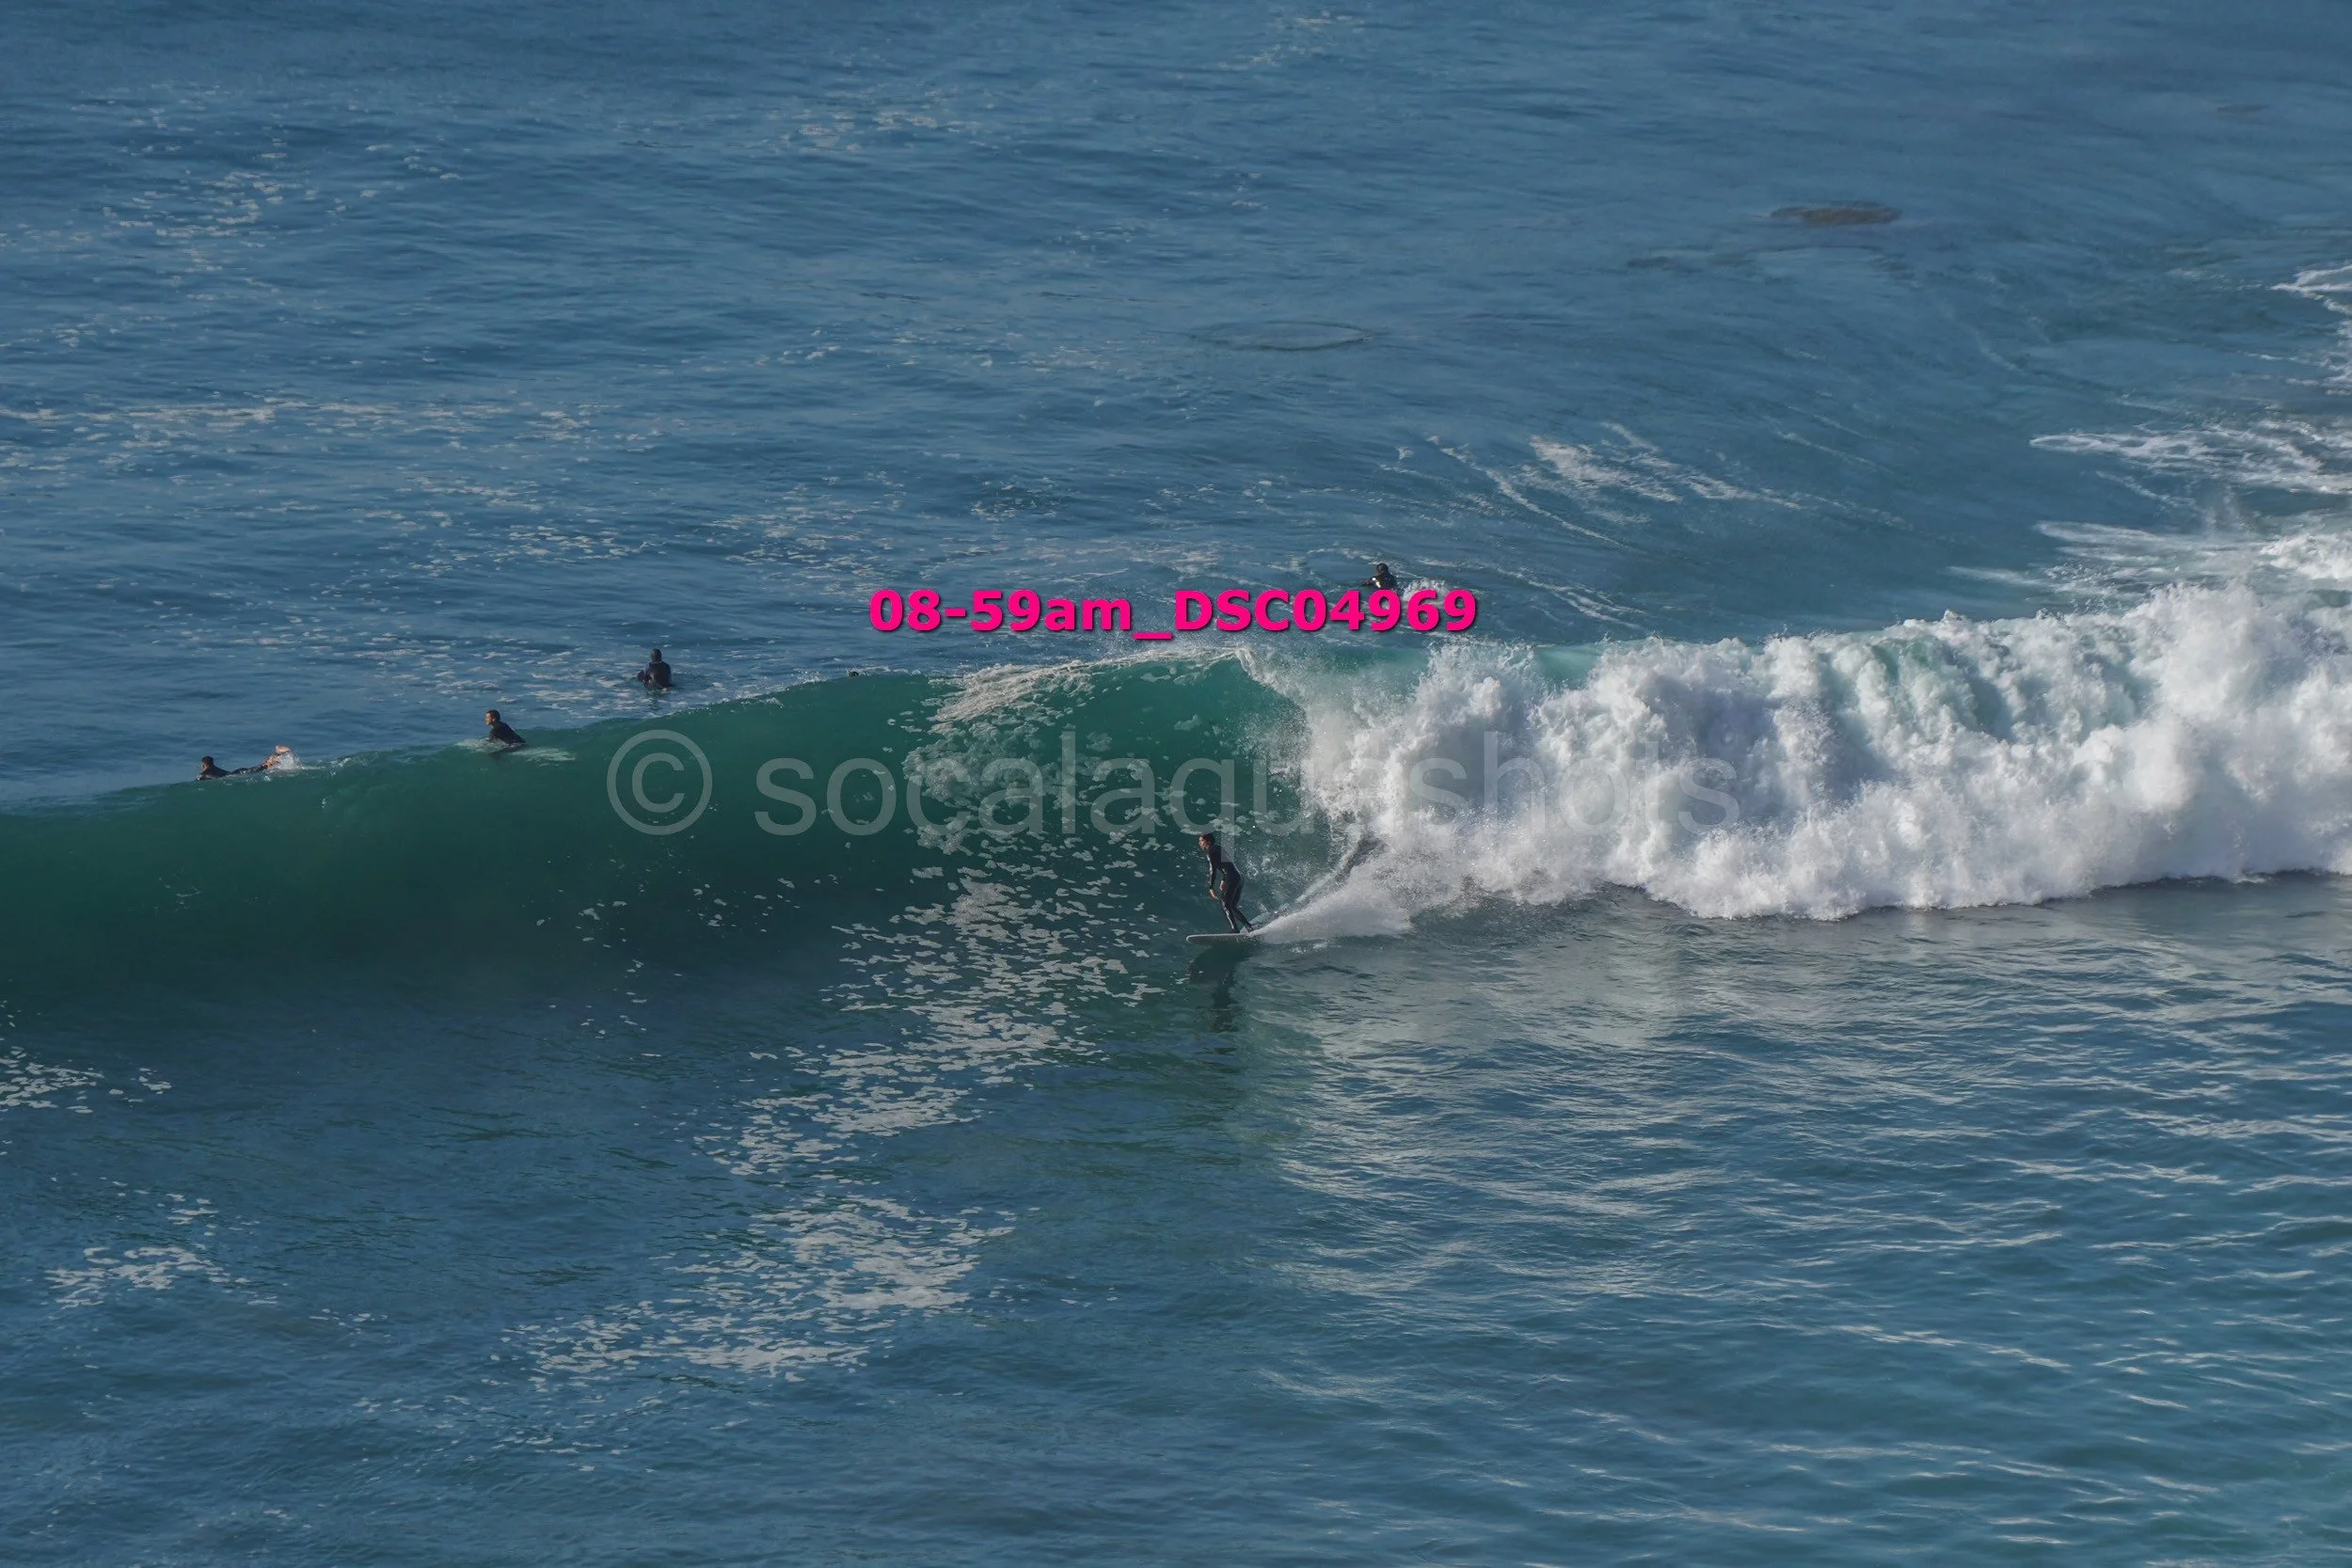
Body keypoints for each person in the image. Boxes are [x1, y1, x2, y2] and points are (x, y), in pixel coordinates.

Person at [1199, 832, 1253, 933]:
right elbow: (1228, 864)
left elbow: (1213, 870)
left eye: (1201, 840)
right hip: (1238, 877)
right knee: (1231, 905)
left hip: (1231, 877)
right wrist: (1224, 879)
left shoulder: (1210, 850)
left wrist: (1211, 887)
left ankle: (1235, 929)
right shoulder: (1219, 848)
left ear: (1208, 841)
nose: (1200, 843)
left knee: (1225, 905)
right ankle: (1249, 927)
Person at [198, 746, 292, 779]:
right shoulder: (215, 769)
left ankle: (276, 753)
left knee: (261, 767)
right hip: (237, 771)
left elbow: (196, 782)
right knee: (260, 767)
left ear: (203, 765)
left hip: (236, 774)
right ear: (212, 762)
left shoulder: (203, 774)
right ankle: (276, 755)